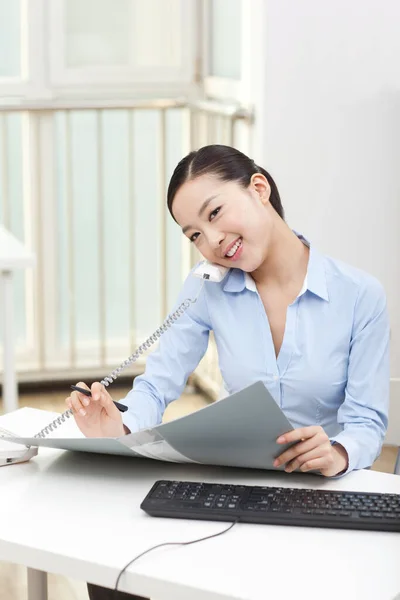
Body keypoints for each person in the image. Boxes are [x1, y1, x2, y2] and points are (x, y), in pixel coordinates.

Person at [69, 145, 390, 600]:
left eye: (215, 213)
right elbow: (158, 383)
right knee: (114, 570)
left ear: (259, 188)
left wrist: (337, 451)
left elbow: (367, 422)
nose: (212, 240)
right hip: (235, 484)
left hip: (321, 493)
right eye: (194, 234)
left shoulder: (359, 295)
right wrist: (119, 425)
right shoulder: (208, 288)